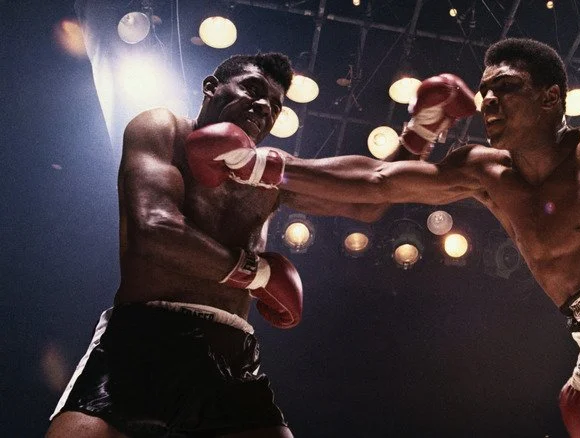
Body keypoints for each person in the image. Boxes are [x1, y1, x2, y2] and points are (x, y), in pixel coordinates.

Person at [278, 38, 580, 437]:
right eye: (484, 91)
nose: (488, 100)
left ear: (551, 97)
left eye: (506, 87)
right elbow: (377, 181)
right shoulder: (484, 172)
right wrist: (268, 166)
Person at [46, 52, 391, 437]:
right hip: (142, 339)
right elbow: (155, 229)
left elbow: (369, 199)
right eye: (253, 90)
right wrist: (259, 275)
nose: (264, 107)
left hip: (231, 351)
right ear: (211, 88)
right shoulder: (164, 129)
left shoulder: (270, 176)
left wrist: (423, 130)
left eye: (275, 106)